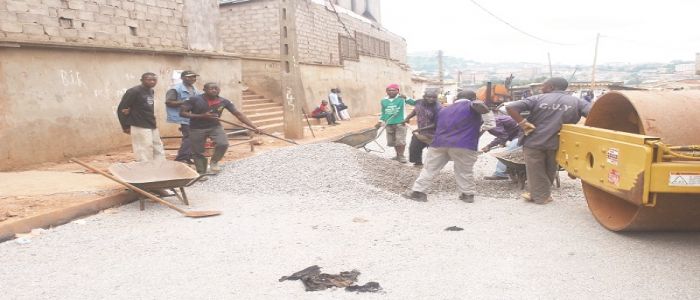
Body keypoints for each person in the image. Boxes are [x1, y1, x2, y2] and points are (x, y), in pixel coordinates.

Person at [506, 77, 591, 204]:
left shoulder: (537, 98)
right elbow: (593, 113)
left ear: (551, 87)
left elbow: (511, 107)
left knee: (535, 170)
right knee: (550, 169)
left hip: (534, 140)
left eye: (543, 85)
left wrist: (524, 123)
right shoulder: (577, 102)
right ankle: (539, 194)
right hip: (558, 142)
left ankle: (541, 197)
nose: (541, 88)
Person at [402, 90, 489, 203]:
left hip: (439, 143)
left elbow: (437, 125)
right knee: (464, 170)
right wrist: (477, 134)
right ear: (473, 98)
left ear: (456, 98)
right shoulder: (474, 106)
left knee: (429, 168)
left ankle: (418, 192)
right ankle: (467, 195)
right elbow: (490, 123)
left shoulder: (443, 109)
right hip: (464, 144)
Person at [180, 82, 262, 178]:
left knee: (223, 144)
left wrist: (254, 127)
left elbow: (238, 114)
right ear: (204, 90)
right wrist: (202, 116)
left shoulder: (223, 101)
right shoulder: (194, 99)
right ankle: (201, 172)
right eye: (211, 88)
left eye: (216, 88)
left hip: (215, 127)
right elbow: (182, 113)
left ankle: (214, 162)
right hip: (196, 128)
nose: (214, 90)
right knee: (198, 151)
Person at [117, 72, 165, 162]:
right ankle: (145, 168)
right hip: (138, 124)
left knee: (157, 146)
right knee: (143, 148)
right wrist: (125, 126)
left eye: (154, 80)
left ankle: (160, 166)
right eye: (149, 79)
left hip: (151, 123)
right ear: (142, 80)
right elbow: (121, 109)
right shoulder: (134, 91)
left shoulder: (151, 91)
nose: (152, 82)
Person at [374, 83, 416, 163]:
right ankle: (397, 155)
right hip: (389, 123)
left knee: (400, 140)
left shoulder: (402, 99)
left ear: (398, 91)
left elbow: (414, 103)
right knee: (392, 141)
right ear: (386, 91)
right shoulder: (384, 100)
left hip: (401, 123)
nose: (391, 92)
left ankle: (401, 156)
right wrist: (380, 122)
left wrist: (406, 97)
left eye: (394, 90)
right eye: (389, 90)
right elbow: (383, 112)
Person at [165, 70, 199, 164]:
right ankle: (182, 157)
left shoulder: (193, 88)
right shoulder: (175, 89)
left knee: (192, 136)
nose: (192, 79)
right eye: (189, 77)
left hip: (191, 115)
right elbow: (169, 102)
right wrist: (186, 101)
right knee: (189, 136)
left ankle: (188, 156)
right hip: (182, 115)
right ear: (183, 78)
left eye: (194, 77)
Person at [481, 111, 522, 180]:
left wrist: (489, 146)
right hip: (518, 134)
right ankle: (509, 171)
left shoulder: (491, 124)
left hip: (522, 134)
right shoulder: (492, 120)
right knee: (510, 151)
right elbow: (505, 133)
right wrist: (503, 142)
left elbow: (503, 136)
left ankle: (500, 173)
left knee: (506, 153)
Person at [404, 91, 441, 167]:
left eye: (434, 97)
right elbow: (415, 111)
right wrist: (407, 118)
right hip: (421, 132)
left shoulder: (438, 108)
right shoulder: (419, 102)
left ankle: (434, 166)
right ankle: (418, 163)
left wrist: (420, 129)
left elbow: (436, 124)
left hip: (433, 133)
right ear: (424, 97)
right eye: (429, 97)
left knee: (434, 150)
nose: (431, 99)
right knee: (414, 147)